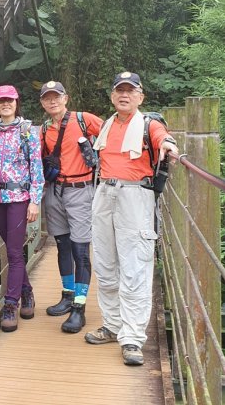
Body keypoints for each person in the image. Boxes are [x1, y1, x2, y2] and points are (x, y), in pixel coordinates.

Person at [84, 71, 178, 366]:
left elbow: (162, 137)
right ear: (112, 96)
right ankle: (113, 325)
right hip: (105, 193)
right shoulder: (108, 125)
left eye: (130, 91)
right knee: (105, 263)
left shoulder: (150, 123)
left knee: (135, 267)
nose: (124, 95)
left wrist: (168, 145)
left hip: (135, 197)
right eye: (119, 91)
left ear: (140, 96)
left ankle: (133, 337)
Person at [39, 81, 103, 333]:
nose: (52, 101)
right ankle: (67, 295)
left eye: (57, 97)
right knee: (62, 245)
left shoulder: (84, 119)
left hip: (80, 190)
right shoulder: (44, 129)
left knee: (80, 250)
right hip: (55, 191)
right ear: (43, 103)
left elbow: (113, 132)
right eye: (47, 98)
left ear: (66, 98)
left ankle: (79, 307)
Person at [0, 85, 44, 333]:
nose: (5, 104)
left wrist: (35, 200)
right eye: (1, 101)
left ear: (16, 102)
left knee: (15, 253)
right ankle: (27, 292)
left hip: (19, 197)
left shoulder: (27, 130)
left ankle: (11, 304)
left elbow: (36, 167)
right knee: (12, 248)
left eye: (9, 100)